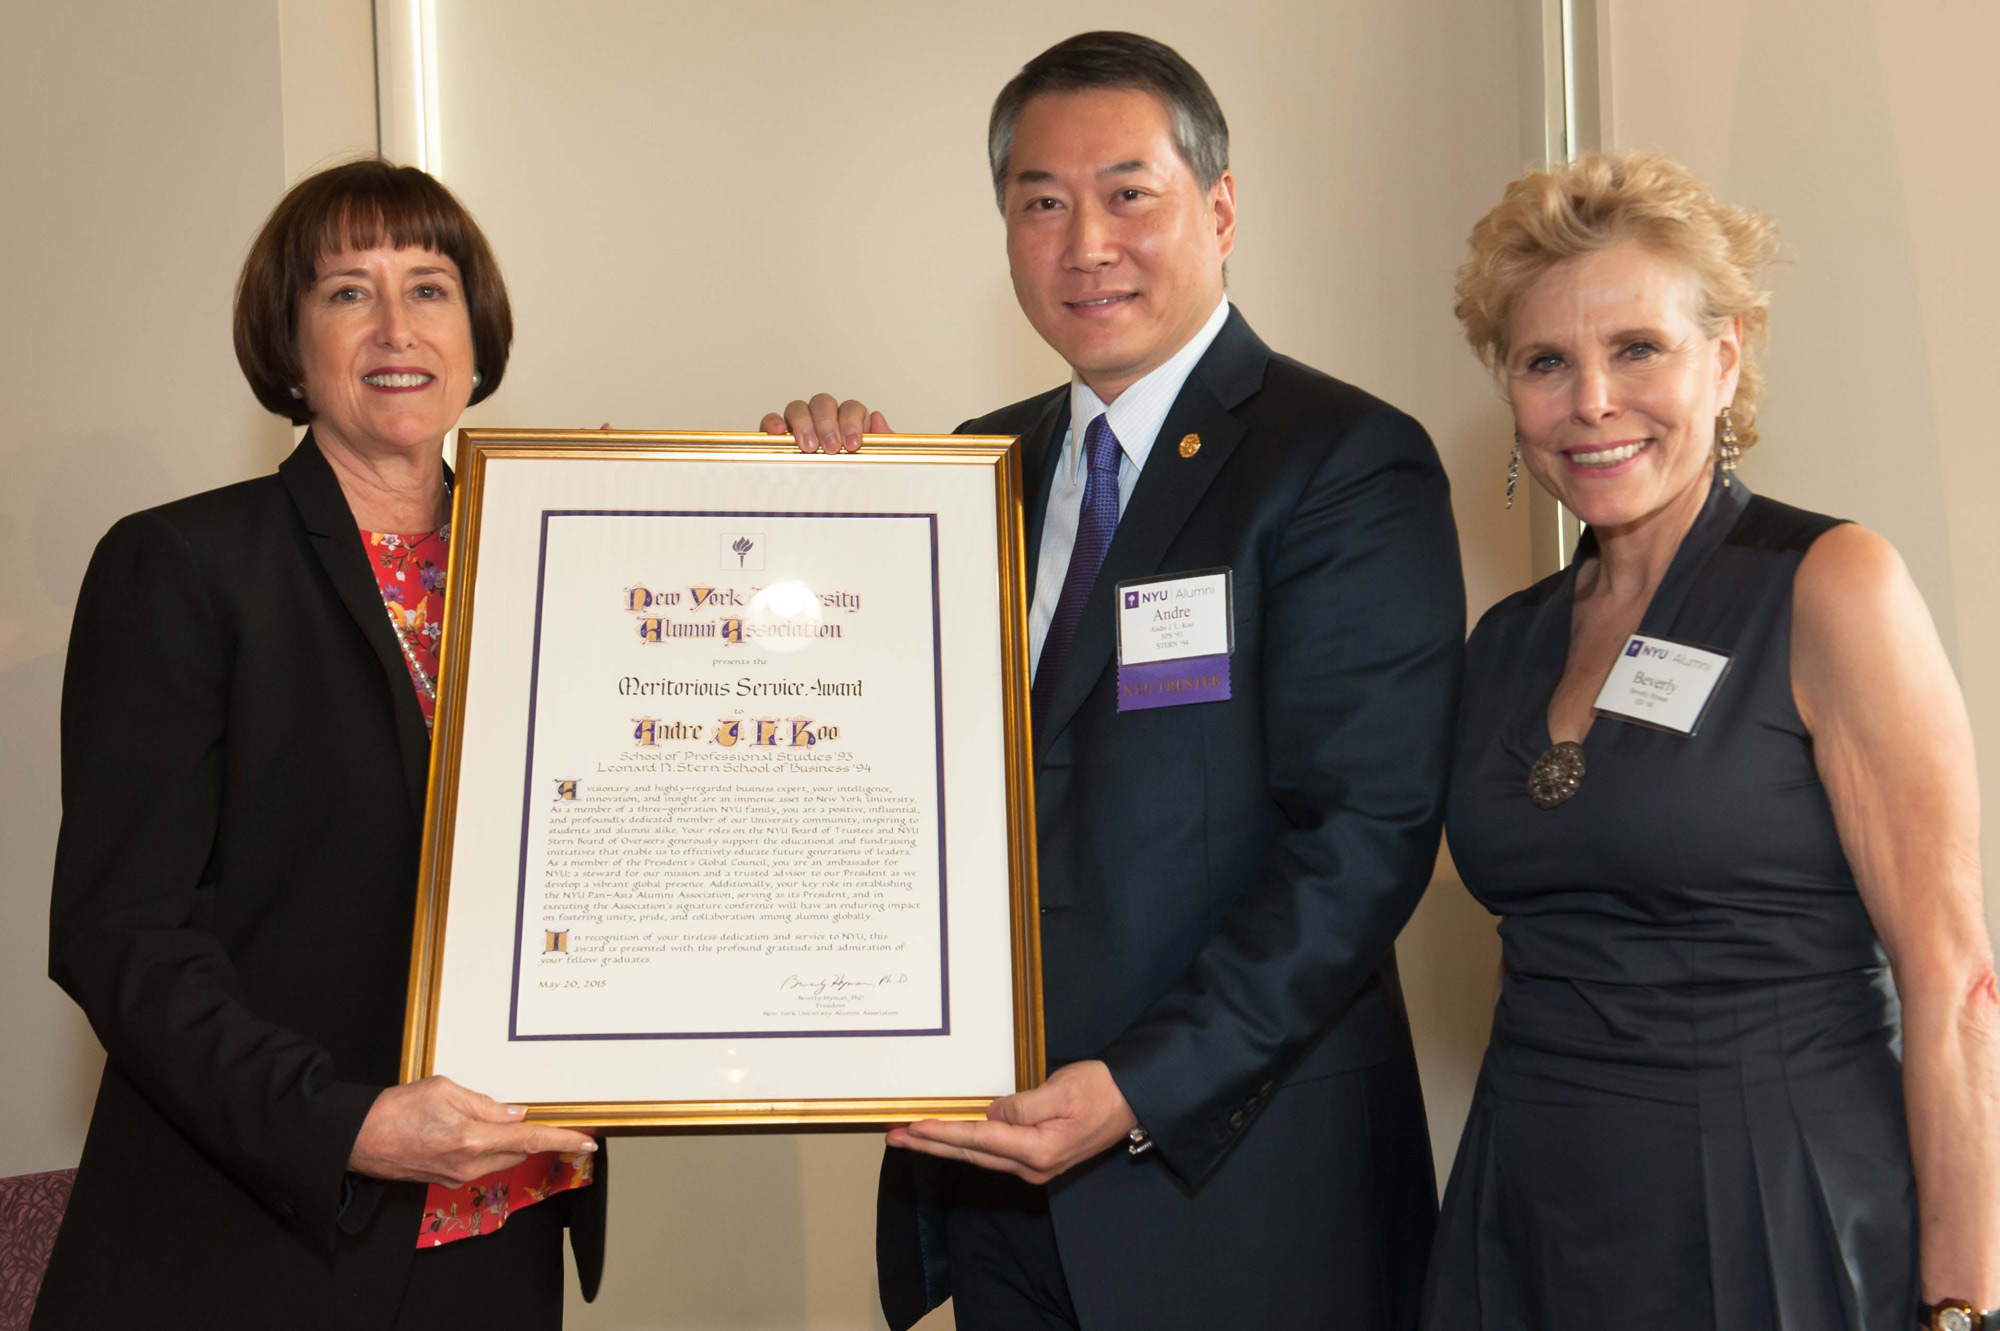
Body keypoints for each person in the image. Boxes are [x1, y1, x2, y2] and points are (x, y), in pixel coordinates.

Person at [765, 31, 1464, 1331]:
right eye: (1042, 201)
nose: (1086, 241)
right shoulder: (968, 470)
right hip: (995, 1187)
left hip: (1236, 1185)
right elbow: (867, 769)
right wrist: (803, 529)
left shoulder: (1341, 461)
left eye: (1128, 191)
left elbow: (1362, 838)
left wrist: (1139, 1086)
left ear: (1221, 206)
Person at [1425, 152, 2000, 1330]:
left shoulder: (1830, 585)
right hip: (1524, 1213)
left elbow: (1952, 983)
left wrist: (1961, 1304)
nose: (1590, 399)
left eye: (1636, 347)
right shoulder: (1504, 642)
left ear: (1723, 357)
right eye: (1545, 362)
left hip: (1772, 1206)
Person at [35, 160, 606, 1330]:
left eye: (430, 286)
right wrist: (345, 1122)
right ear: (289, 343)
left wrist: (788, 488)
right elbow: (122, 933)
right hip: (265, 1236)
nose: (397, 327)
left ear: (476, 330)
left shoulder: (567, 567)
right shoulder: (185, 567)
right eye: (349, 291)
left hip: (502, 1221)